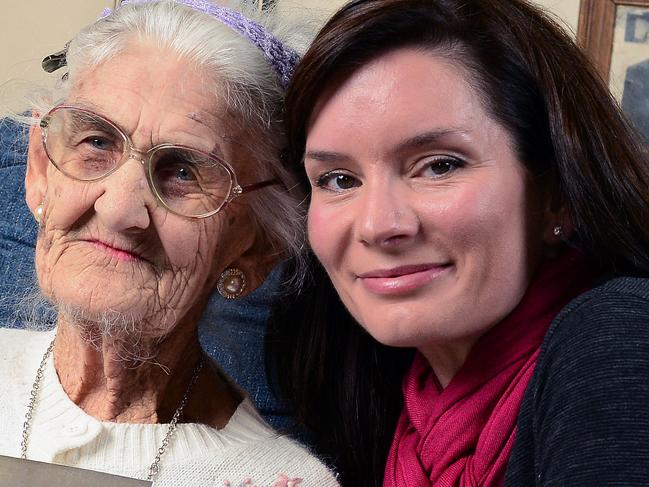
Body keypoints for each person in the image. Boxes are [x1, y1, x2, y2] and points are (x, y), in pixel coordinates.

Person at [268, 0, 649, 485]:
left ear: (556, 197)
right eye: (339, 180)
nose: (377, 225)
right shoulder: (392, 405)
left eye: (439, 165)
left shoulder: (617, 336)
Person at [0, 1, 340, 485]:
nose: (119, 209)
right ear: (39, 170)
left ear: (257, 247)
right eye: (97, 142)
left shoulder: (279, 480)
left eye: (183, 172)